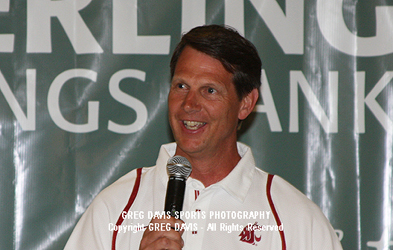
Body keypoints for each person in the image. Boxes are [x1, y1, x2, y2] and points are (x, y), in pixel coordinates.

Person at [64, 25, 343, 250]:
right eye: (181, 86)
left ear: (245, 104)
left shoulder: (294, 219)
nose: (189, 104)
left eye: (209, 90)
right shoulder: (115, 207)